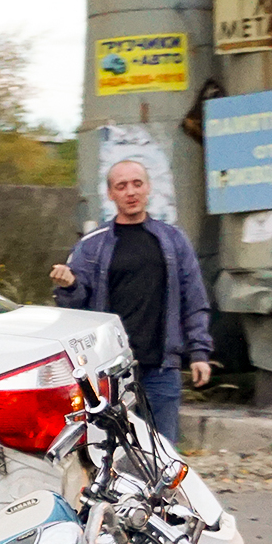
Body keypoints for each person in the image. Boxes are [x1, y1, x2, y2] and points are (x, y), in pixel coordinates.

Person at [50, 159, 212, 443]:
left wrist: (199, 352)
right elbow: (75, 309)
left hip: (161, 368)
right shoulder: (92, 245)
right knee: (109, 450)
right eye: (121, 186)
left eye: (137, 184)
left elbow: (193, 298)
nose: (130, 192)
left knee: (164, 454)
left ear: (148, 188)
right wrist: (69, 285)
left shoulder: (173, 240)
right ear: (111, 194)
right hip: (109, 371)